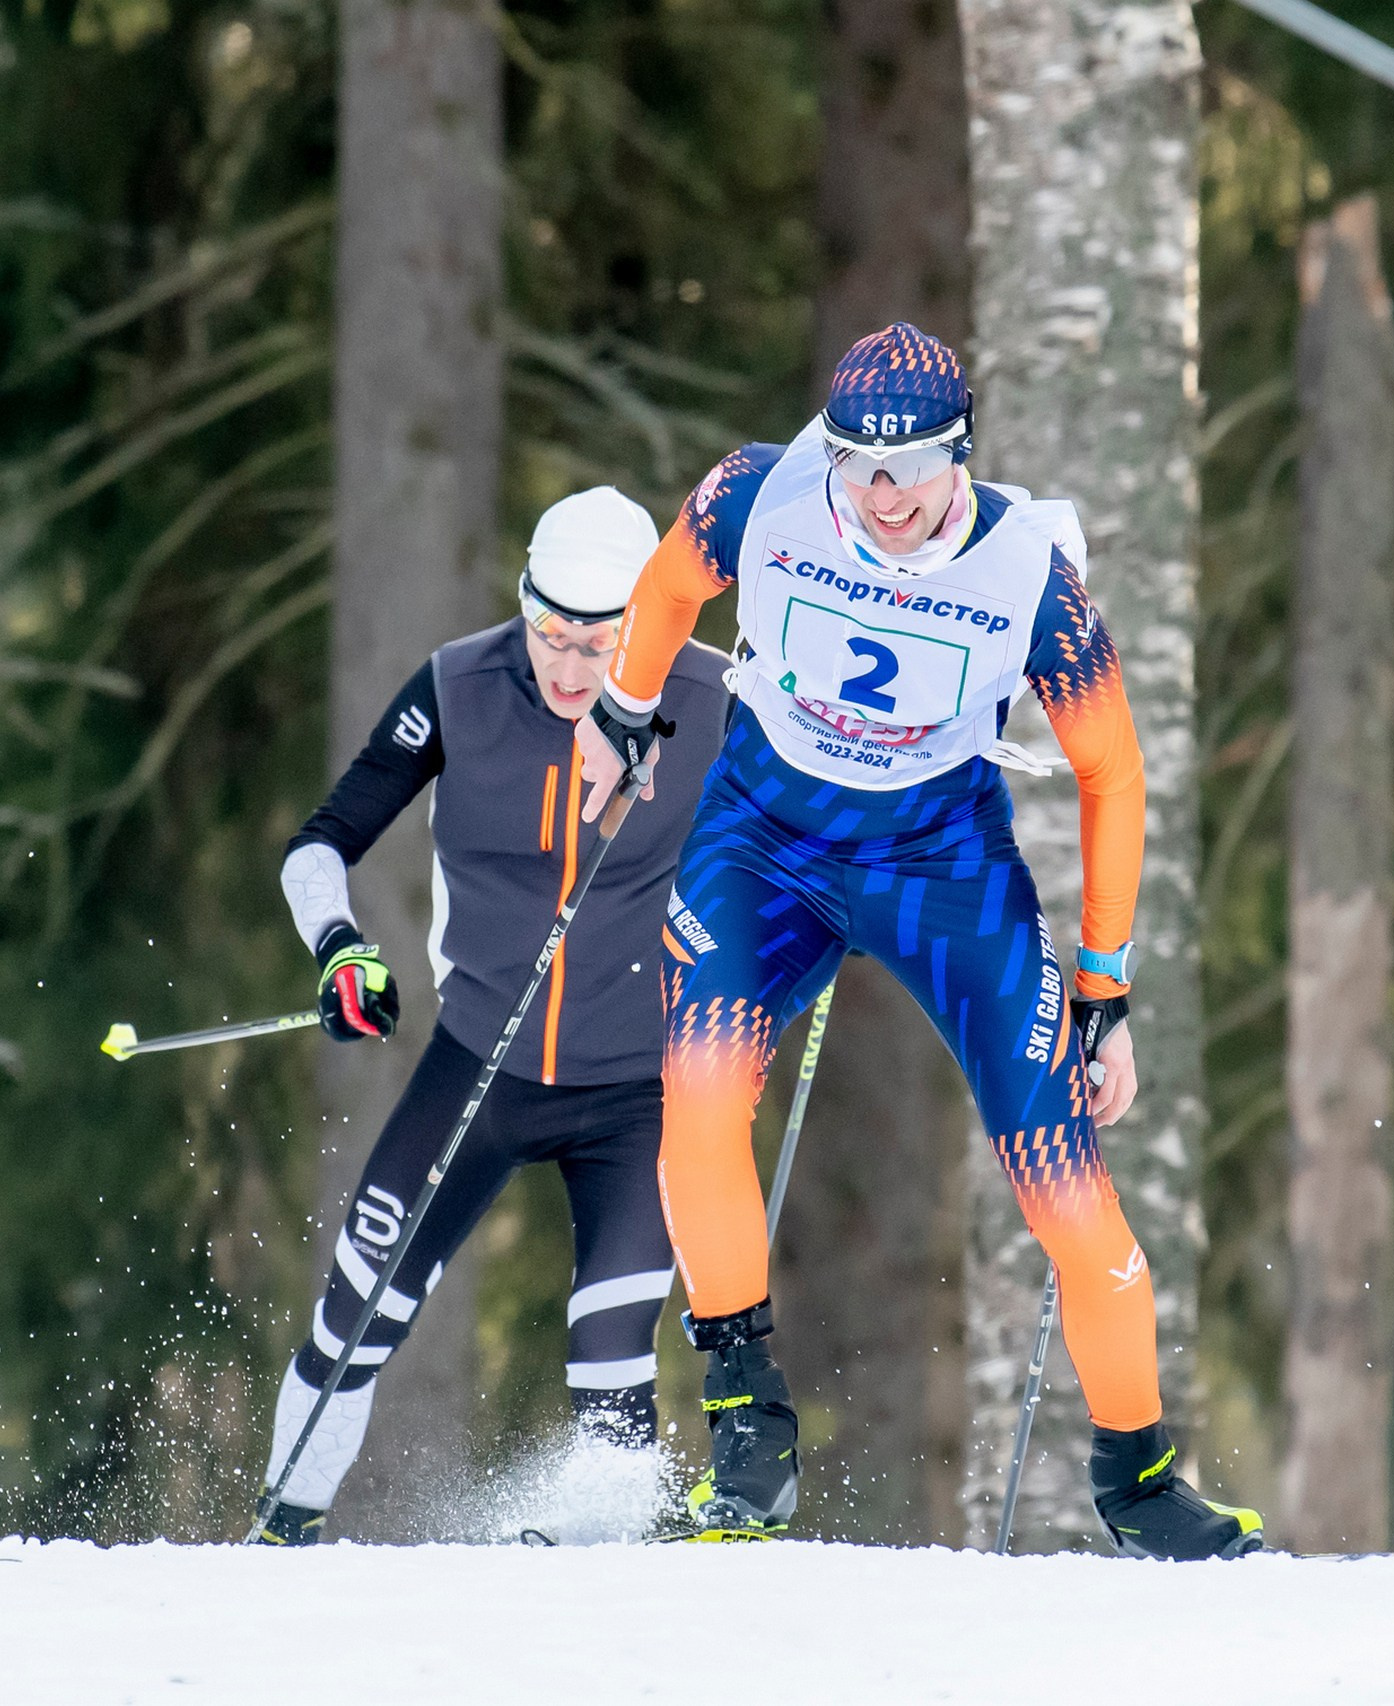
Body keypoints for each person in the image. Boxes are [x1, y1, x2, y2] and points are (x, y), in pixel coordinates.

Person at [574, 323, 1262, 1560]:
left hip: (941, 865)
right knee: (698, 1093)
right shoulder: (757, 494)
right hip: (767, 838)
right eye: (859, 467)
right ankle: (746, 1421)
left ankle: (1140, 1478)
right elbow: (670, 587)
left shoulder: (1029, 576)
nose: (884, 498)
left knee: (1062, 1179)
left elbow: (1113, 774)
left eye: (913, 469)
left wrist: (1103, 984)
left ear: (962, 456)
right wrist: (625, 708)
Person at [254, 486, 731, 1544]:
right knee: (353, 1318)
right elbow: (320, 842)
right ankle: (279, 1535)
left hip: (638, 1094)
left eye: (597, 643)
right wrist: (340, 946)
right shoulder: (459, 684)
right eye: (548, 632)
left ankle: (607, 1604)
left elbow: (840, 811)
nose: (566, 667)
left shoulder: (712, 697)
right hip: (477, 1069)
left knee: (612, 1357)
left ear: (648, 622)